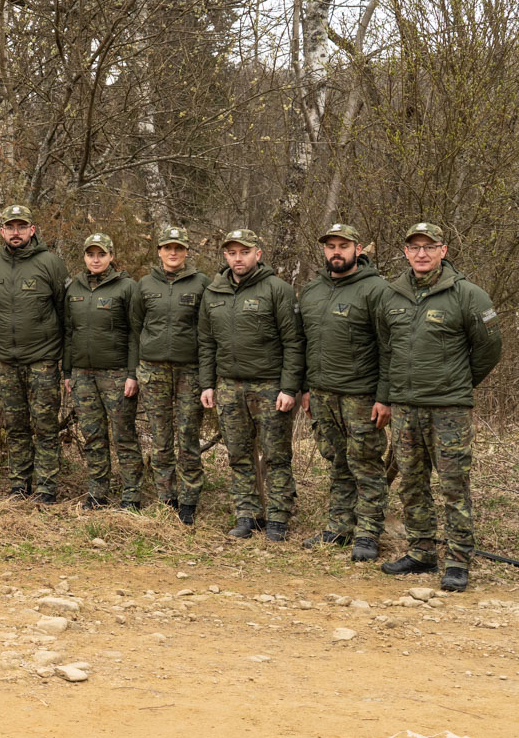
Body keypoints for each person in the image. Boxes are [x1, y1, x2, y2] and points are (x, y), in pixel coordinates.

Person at [374, 222, 503, 592]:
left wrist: (458, 383)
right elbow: (387, 351)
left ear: (443, 251)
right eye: (414, 247)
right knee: (412, 483)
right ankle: (421, 551)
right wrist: (387, 394)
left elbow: (489, 349)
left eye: (429, 246)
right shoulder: (391, 296)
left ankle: (458, 560)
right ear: (405, 252)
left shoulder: (469, 295)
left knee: (453, 485)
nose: (421, 254)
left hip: (449, 409)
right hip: (405, 407)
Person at [198, 229, 303, 541]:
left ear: (258, 253)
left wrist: (288, 388)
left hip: (269, 386)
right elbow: (206, 343)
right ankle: (248, 514)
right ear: (225, 256)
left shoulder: (277, 290)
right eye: (231, 252)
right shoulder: (213, 292)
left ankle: (279, 517)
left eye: (244, 252)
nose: (237, 258)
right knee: (239, 454)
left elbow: (293, 342)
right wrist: (208, 384)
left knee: (276, 455)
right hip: (229, 386)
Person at [297, 223, 393, 561]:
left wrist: (384, 396)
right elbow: (304, 344)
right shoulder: (311, 291)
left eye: (343, 245)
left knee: (365, 464)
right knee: (337, 463)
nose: (336, 251)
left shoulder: (376, 289)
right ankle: (339, 527)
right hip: (322, 394)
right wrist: (305, 388)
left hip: (361, 396)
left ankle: (367, 533)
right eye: (331, 246)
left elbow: (389, 347)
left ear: (358, 249)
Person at [0, 205, 68, 503]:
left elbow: (64, 312)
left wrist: (62, 358)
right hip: (5, 361)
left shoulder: (50, 263)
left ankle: (45, 487)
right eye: (10, 227)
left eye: (22, 226)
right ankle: (19, 484)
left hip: (42, 360)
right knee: (15, 427)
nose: (15, 232)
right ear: (2, 232)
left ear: (32, 230)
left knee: (45, 427)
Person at [130, 226, 209, 524]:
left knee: (188, 434)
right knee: (161, 437)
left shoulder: (202, 283)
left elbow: (207, 330)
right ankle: (167, 497)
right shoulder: (145, 284)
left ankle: (189, 500)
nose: (173, 253)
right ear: (159, 251)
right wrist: (135, 371)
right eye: (167, 248)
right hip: (153, 370)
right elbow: (136, 328)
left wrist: (207, 374)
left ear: (186, 251)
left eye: (178, 247)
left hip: (189, 371)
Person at [63, 234, 141, 510]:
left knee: (124, 435)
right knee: (93, 434)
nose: (95, 260)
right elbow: (69, 332)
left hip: (117, 374)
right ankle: (97, 492)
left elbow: (135, 333)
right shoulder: (73, 287)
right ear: (84, 257)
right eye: (90, 254)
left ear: (111, 256)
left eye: (101, 254)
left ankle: (131, 494)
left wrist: (133, 373)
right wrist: (67, 371)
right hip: (83, 374)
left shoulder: (127, 287)